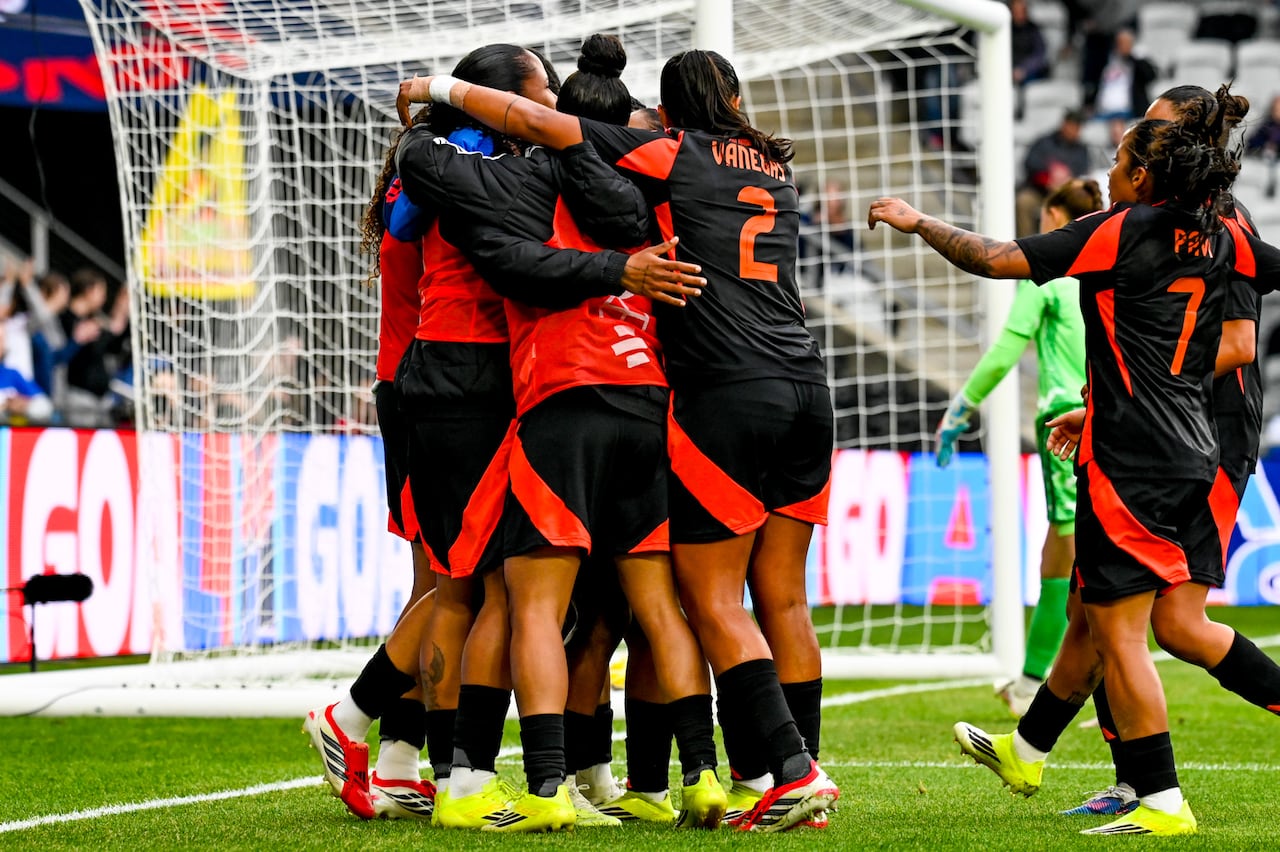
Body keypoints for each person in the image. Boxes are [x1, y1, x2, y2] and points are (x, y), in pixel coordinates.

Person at [400, 45, 840, 833]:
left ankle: (527, 782)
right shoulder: (742, 175)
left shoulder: (582, 169)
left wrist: (432, 112)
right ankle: (707, 778)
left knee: (505, 595)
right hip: (730, 388)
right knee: (676, 603)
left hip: (601, 397)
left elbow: (485, 221)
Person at [869, 86, 1280, 836]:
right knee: (1104, 614)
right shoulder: (1226, 236)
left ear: (1148, 173)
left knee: (1134, 631)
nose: (1111, 172)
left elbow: (995, 258)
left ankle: (1158, 799)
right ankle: (1035, 750)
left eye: (1122, 160)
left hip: (1135, 457)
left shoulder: (1120, 230)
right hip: (1187, 445)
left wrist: (918, 219)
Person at [303, 42, 561, 822]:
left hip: (429, 378)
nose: (545, 105)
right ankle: (369, 725)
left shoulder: (444, 157)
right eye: (536, 93)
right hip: (441, 382)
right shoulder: (462, 162)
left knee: (455, 580)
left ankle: (400, 760)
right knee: (459, 583)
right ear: (495, 100)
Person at [1017, 85, 1280, 820]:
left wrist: (1135, 402)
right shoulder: (1175, 220)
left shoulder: (1219, 223)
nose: (1134, 140)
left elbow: (1236, 344)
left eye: (1152, 128)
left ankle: (1128, 780)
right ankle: (1073, 762)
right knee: (1099, 610)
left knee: (1170, 624)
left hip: (1208, 433)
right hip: (1166, 428)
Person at [934, 177, 1101, 717]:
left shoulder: (1049, 276)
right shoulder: (1106, 269)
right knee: (1067, 545)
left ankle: (1048, 680)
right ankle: (1037, 676)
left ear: (1052, 217)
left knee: (1071, 550)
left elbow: (1007, 349)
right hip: (1111, 419)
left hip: (1065, 422)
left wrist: (962, 407)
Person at [1015, 110, 1090, 237]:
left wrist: (1066, 179)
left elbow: (1082, 173)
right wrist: (1048, 177)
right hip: (1039, 192)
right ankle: (1024, 244)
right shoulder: (1044, 142)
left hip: (1066, 196)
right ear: (1064, 124)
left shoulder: (1081, 150)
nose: (1074, 130)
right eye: (1072, 126)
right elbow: (1030, 164)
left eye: (1078, 127)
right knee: (1023, 202)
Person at [1086, 29, 1156, 122]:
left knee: (1117, 127)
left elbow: (1151, 76)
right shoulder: (1107, 62)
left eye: (1126, 43)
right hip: (1103, 112)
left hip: (1127, 113)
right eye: (1120, 43)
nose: (1122, 46)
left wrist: (1131, 56)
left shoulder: (1137, 62)